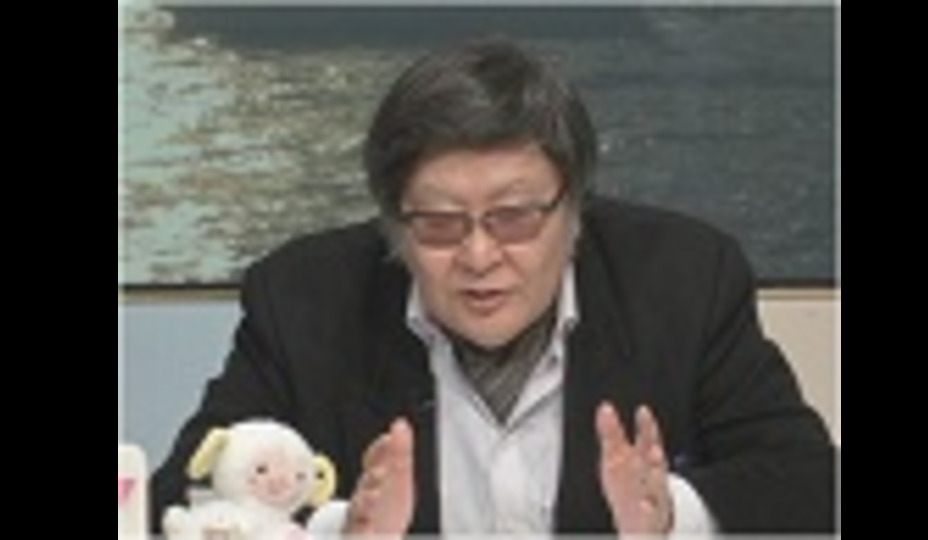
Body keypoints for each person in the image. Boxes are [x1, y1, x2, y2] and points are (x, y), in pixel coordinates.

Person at [150, 37, 838, 536]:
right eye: (440, 224)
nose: (479, 256)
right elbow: (179, 501)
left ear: (573, 208)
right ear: (394, 222)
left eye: (513, 218)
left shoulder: (681, 280)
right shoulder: (306, 299)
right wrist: (338, 528)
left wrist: (672, 516)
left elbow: (810, 486)